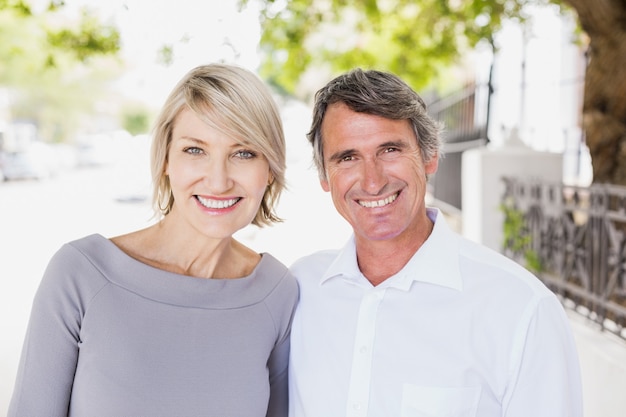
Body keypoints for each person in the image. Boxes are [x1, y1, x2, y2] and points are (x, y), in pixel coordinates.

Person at [288, 68, 583, 417]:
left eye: (390, 149)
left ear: (429, 157)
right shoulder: (299, 290)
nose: (372, 181)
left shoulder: (521, 309)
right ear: (324, 175)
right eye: (348, 157)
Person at [8, 63, 298, 417]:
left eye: (244, 153)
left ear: (269, 170)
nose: (219, 181)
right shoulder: (81, 275)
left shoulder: (277, 292)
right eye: (195, 150)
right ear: (165, 159)